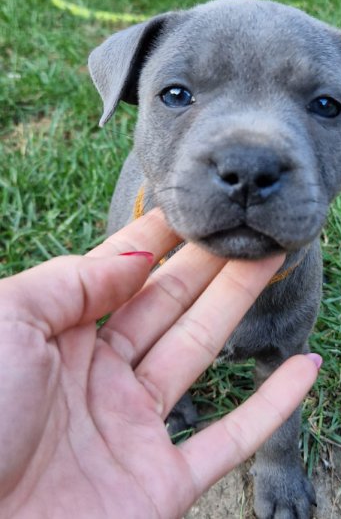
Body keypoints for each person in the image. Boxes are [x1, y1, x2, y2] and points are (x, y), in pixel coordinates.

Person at [0, 208, 321, 518]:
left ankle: (277, 463)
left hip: (286, 276)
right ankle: (175, 402)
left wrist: (279, 462)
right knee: (149, 326)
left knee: (284, 359)